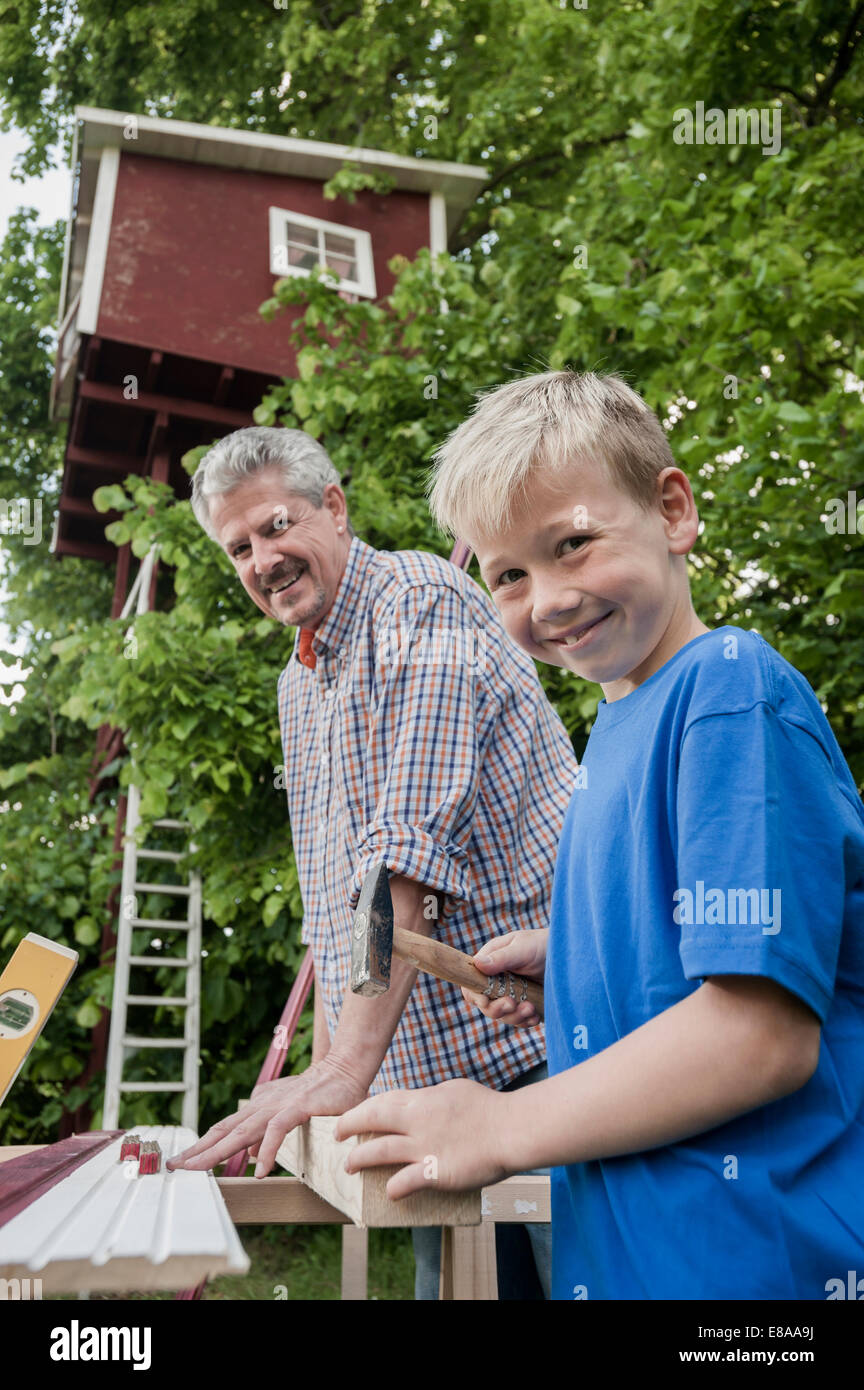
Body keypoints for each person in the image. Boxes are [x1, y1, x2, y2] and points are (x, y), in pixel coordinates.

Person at [334, 369, 864, 1300]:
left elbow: (759, 1035)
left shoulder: (727, 691)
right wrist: (576, 964)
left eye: (573, 544)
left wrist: (499, 1126)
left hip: (756, 1268)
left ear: (672, 510)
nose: (548, 600)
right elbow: (691, 954)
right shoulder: (616, 733)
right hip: (636, 1260)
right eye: (509, 574)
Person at [167, 426, 579, 1299]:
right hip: (431, 1086)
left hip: (548, 1045)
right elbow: (336, 912)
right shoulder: (296, 680)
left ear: (336, 508)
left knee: (590, 1285)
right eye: (238, 547)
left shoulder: (419, 602)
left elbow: (405, 861)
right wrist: (328, 1079)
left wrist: (345, 1071)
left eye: (278, 527)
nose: (264, 559)